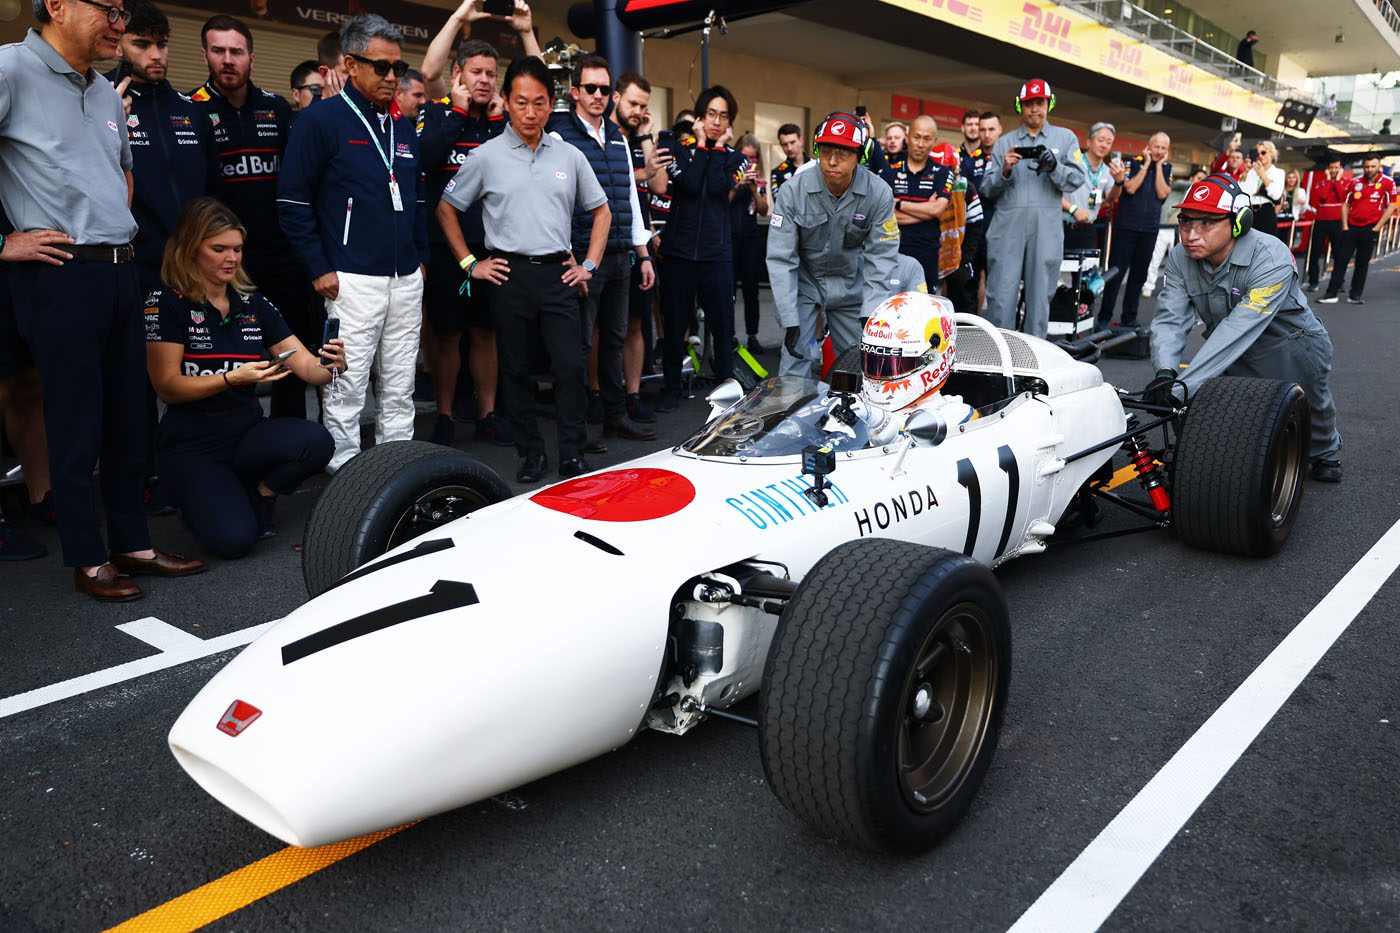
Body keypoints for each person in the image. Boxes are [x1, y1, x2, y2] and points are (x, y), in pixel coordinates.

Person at [1, 0, 205, 599]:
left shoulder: (103, 90)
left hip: (122, 271)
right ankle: (88, 559)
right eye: (108, 8)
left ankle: (132, 545)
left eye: (123, 10)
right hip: (60, 274)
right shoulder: (12, 69)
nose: (119, 21)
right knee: (75, 421)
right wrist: (3, 241)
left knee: (128, 417)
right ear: (58, 5)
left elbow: (123, 173)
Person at [436, 55, 610, 482]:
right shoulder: (485, 156)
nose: (530, 112)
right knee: (516, 370)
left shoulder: (569, 156)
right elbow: (446, 209)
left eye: (539, 102)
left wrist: (588, 264)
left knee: (569, 366)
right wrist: (469, 264)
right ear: (507, 103)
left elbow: (602, 211)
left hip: (558, 274)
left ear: (552, 105)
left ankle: (571, 453)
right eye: (521, 102)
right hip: (508, 276)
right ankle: (530, 452)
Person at [145, 199, 342, 556]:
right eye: (218, 249)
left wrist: (332, 365)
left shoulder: (253, 304)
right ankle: (197, 497)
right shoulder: (166, 301)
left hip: (246, 433)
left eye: (237, 249)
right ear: (191, 248)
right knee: (233, 542)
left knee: (316, 441)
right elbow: (167, 386)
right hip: (192, 446)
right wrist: (230, 379)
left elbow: (309, 370)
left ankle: (260, 495)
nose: (231, 258)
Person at [278, 14, 428, 473]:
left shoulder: (402, 126)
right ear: (350, 63)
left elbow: (417, 198)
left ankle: (398, 469)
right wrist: (319, 267)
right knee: (345, 385)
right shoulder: (319, 121)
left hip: (405, 277)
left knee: (401, 384)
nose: (391, 77)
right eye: (381, 67)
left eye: (398, 69)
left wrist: (419, 259)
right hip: (351, 277)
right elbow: (291, 201)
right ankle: (345, 474)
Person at [1149, 173, 1341, 482]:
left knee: (1311, 409)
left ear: (1239, 223)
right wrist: (1165, 373)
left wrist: (1183, 385)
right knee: (1202, 409)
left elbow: (1240, 326)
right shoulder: (1180, 258)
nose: (1191, 235)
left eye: (1207, 223)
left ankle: (1326, 452)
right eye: (1186, 222)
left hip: (1290, 345)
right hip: (1229, 349)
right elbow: (1170, 318)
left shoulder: (1270, 257)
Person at [192, 16, 318, 420]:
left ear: (251, 57)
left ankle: (289, 437)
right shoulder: (190, 111)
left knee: (289, 353)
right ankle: (234, 437)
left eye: (236, 52)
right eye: (219, 51)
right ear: (205, 55)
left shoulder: (277, 108)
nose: (228, 60)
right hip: (223, 261)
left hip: (281, 255)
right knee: (229, 355)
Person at [547, 54, 656, 445]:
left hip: (620, 257)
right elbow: (554, 204)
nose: (598, 95)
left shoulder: (619, 139)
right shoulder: (559, 136)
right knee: (577, 346)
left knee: (612, 340)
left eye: (604, 89)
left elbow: (629, 198)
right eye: (590, 88)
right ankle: (577, 431)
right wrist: (570, 257)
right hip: (580, 258)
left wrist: (642, 255)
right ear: (575, 92)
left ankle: (614, 417)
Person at [417, 38, 511, 448]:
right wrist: (456, 112)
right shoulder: (438, 113)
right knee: (448, 334)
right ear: (459, 75)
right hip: (445, 246)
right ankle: (445, 414)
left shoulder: (499, 121)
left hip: (493, 245)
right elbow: (423, 156)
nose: (485, 81)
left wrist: (495, 123)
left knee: (486, 333)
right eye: (477, 72)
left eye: (491, 74)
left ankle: (488, 413)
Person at [765, 113, 899, 379]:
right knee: (795, 363)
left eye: (843, 153)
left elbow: (881, 257)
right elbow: (781, 258)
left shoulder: (879, 193)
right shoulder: (793, 190)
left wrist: (871, 314)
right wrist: (789, 317)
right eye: (826, 151)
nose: (833, 161)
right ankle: (793, 417)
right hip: (805, 283)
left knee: (861, 365)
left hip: (850, 284)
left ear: (860, 155)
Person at [656, 85, 745, 412]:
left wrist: (716, 148)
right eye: (711, 114)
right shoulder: (680, 150)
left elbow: (719, 187)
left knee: (722, 326)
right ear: (699, 117)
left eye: (723, 116)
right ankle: (671, 388)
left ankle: (727, 390)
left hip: (717, 255)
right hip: (679, 253)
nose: (717, 121)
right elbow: (692, 185)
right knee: (675, 323)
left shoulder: (737, 159)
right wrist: (705, 147)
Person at [980, 80, 1086, 339]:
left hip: (1046, 229)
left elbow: (1078, 178)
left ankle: (1035, 358)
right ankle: (999, 356)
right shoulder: (1004, 143)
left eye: (1040, 103)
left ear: (1049, 104)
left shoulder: (1066, 138)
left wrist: (1054, 167)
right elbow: (986, 188)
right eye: (1029, 103)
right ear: (1020, 106)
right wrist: (1004, 169)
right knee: (1001, 296)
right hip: (1007, 228)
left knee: (1040, 297)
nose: (1034, 109)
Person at [613, 70, 667, 422]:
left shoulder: (640, 138)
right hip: (610, 240)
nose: (637, 110)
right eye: (633, 103)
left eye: (643, 106)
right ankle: (600, 393)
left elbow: (660, 185)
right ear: (616, 98)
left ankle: (632, 394)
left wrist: (647, 134)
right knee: (605, 328)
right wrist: (641, 175)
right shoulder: (605, 138)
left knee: (636, 322)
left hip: (641, 244)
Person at [857, 291, 974, 438]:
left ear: (933, 359)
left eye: (895, 365)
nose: (878, 378)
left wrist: (879, 423)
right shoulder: (858, 403)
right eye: (873, 363)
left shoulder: (954, 414)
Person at [1098, 132, 1172, 328]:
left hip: (1149, 230)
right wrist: (1147, 164)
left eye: (1164, 148)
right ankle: (1104, 319)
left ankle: (1129, 318)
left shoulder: (1166, 168)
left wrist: (1157, 168)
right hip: (1126, 227)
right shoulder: (1132, 162)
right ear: (1148, 146)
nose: (1159, 151)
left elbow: (1162, 193)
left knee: (1138, 276)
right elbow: (1129, 188)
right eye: (1156, 146)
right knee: (1115, 275)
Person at [881, 115, 951, 292]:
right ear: (907, 137)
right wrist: (925, 211)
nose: (920, 144)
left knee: (924, 309)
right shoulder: (889, 172)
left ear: (934, 141)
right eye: (916, 137)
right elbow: (885, 215)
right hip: (893, 252)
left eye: (927, 139)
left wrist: (900, 204)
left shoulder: (942, 172)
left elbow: (937, 209)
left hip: (927, 253)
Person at [1319, 156, 1398, 306]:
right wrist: (1345, 226)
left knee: (1362, 264)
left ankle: (1355, 295)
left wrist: (1377, 227)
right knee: (1340, 261)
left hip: (1370, 228)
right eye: (1367, 167)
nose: (1369, 170)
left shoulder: (1387, 182)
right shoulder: (1355, 182)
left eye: (1373, 166)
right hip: (1351, 228)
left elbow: (1392, 205)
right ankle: (1331, 294)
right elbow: (1345, 204)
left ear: (1379, 166)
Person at [730, 133, 769, 354]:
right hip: (729, 238)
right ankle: (731, 335)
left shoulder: (758, 180)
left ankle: (752, 334)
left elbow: (763, 209)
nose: (749, 163)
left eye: (753, 159)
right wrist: (737, 182)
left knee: (751, 290)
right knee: (729, 290)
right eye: (745, 158)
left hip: (751, 239)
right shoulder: (729, 175)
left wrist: (754, 188)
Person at [1143, 166, 1205, 299]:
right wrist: (1201, 185)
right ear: (1191, 178)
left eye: (1203, 180)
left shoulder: (1200, 197)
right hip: (1165, 227)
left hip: (1183, 230)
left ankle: (1176, 289)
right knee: (1155, 259)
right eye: (1199, 179)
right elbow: (1176, 183)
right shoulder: (1180, 186)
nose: (1201, 182)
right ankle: (1148, 286)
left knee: (1181, 261)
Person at [1063, 121, 1122, 252]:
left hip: (1088, 230)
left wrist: (1119, 182)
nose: (1104, 145)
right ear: (1089, 142)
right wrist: (1074, 209)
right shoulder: (1072, 163)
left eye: (1109, 142)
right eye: (1101, 140)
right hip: (1062, 227)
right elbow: (1053, 193)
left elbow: (1111, 198)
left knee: (1088, 272)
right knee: (1053, 271)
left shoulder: (1107, 170)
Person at [1304, 158, 1348, 291]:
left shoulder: (1345, 183)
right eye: (1331, 168)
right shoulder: (1321, 183)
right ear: (1328, 169)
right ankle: (1313, 282)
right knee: (1315, 252)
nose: (1334, 170)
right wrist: (1329, 180)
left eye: (1336, 168)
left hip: (1337, 222)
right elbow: (1322, 196)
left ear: (1340, 169)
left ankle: (1339, 282)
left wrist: (1338, 180)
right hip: (1321, 221)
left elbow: (1342, 196)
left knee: (1339, 254)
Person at [1239, 140, 1284, 239]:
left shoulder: (1278, 173)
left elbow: (1276, 194)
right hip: (1250, 211)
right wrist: (1245, 173)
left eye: (1263, 152)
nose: (1260, 156)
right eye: (1258, 153)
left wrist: (1263, 176)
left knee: (1266, 247)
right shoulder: (1251, 172)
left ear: (1271, 153)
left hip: (1266, 212)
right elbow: (1244, 194)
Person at [770, 122, 805, 193]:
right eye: (785, 144)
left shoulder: (815, 165)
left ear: (801, 140)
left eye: (792, 142)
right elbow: (779, 201)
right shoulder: (777, 173)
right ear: (780, 145)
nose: (789, 148)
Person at [1279, 169, 1309, 242]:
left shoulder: (1301, 191)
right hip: (1279, 218)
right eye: (1289, 177)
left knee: (1289, 242)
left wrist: (1303, 203)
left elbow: (1303, 211)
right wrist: (1281, 207)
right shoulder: (1281, 190)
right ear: (1286, 179)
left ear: (1297, 179)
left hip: (1292, 219)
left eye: (1294, 177)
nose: (1291, 179)